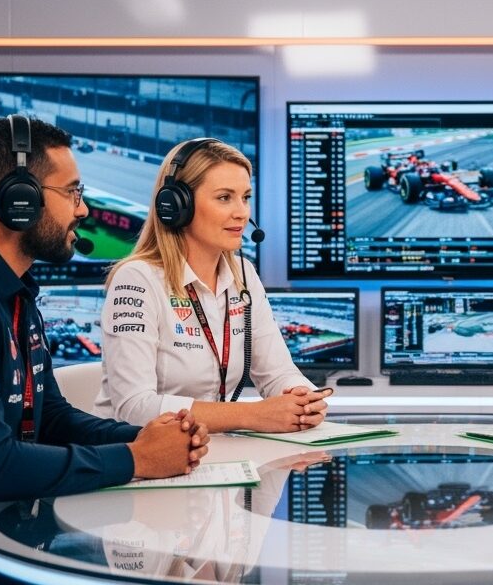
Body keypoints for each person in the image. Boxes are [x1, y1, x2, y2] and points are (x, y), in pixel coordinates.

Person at [0, 115, 209, 584]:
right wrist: (137, 460)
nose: (83, 210)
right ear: (20, 201)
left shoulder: (8, 290)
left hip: (4, 531)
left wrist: (145, 436)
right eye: (73, 192)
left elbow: (50, 418)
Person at [94, 138, 331, 433]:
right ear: (178, 205)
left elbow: (278, 373)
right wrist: (251, 415)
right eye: (224, 197)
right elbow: (134, 407)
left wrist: (301, 398)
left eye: (245, 197)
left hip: (213, 455)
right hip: (140, 461)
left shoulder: (244, 274)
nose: (242, 212)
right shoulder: (137, 279)